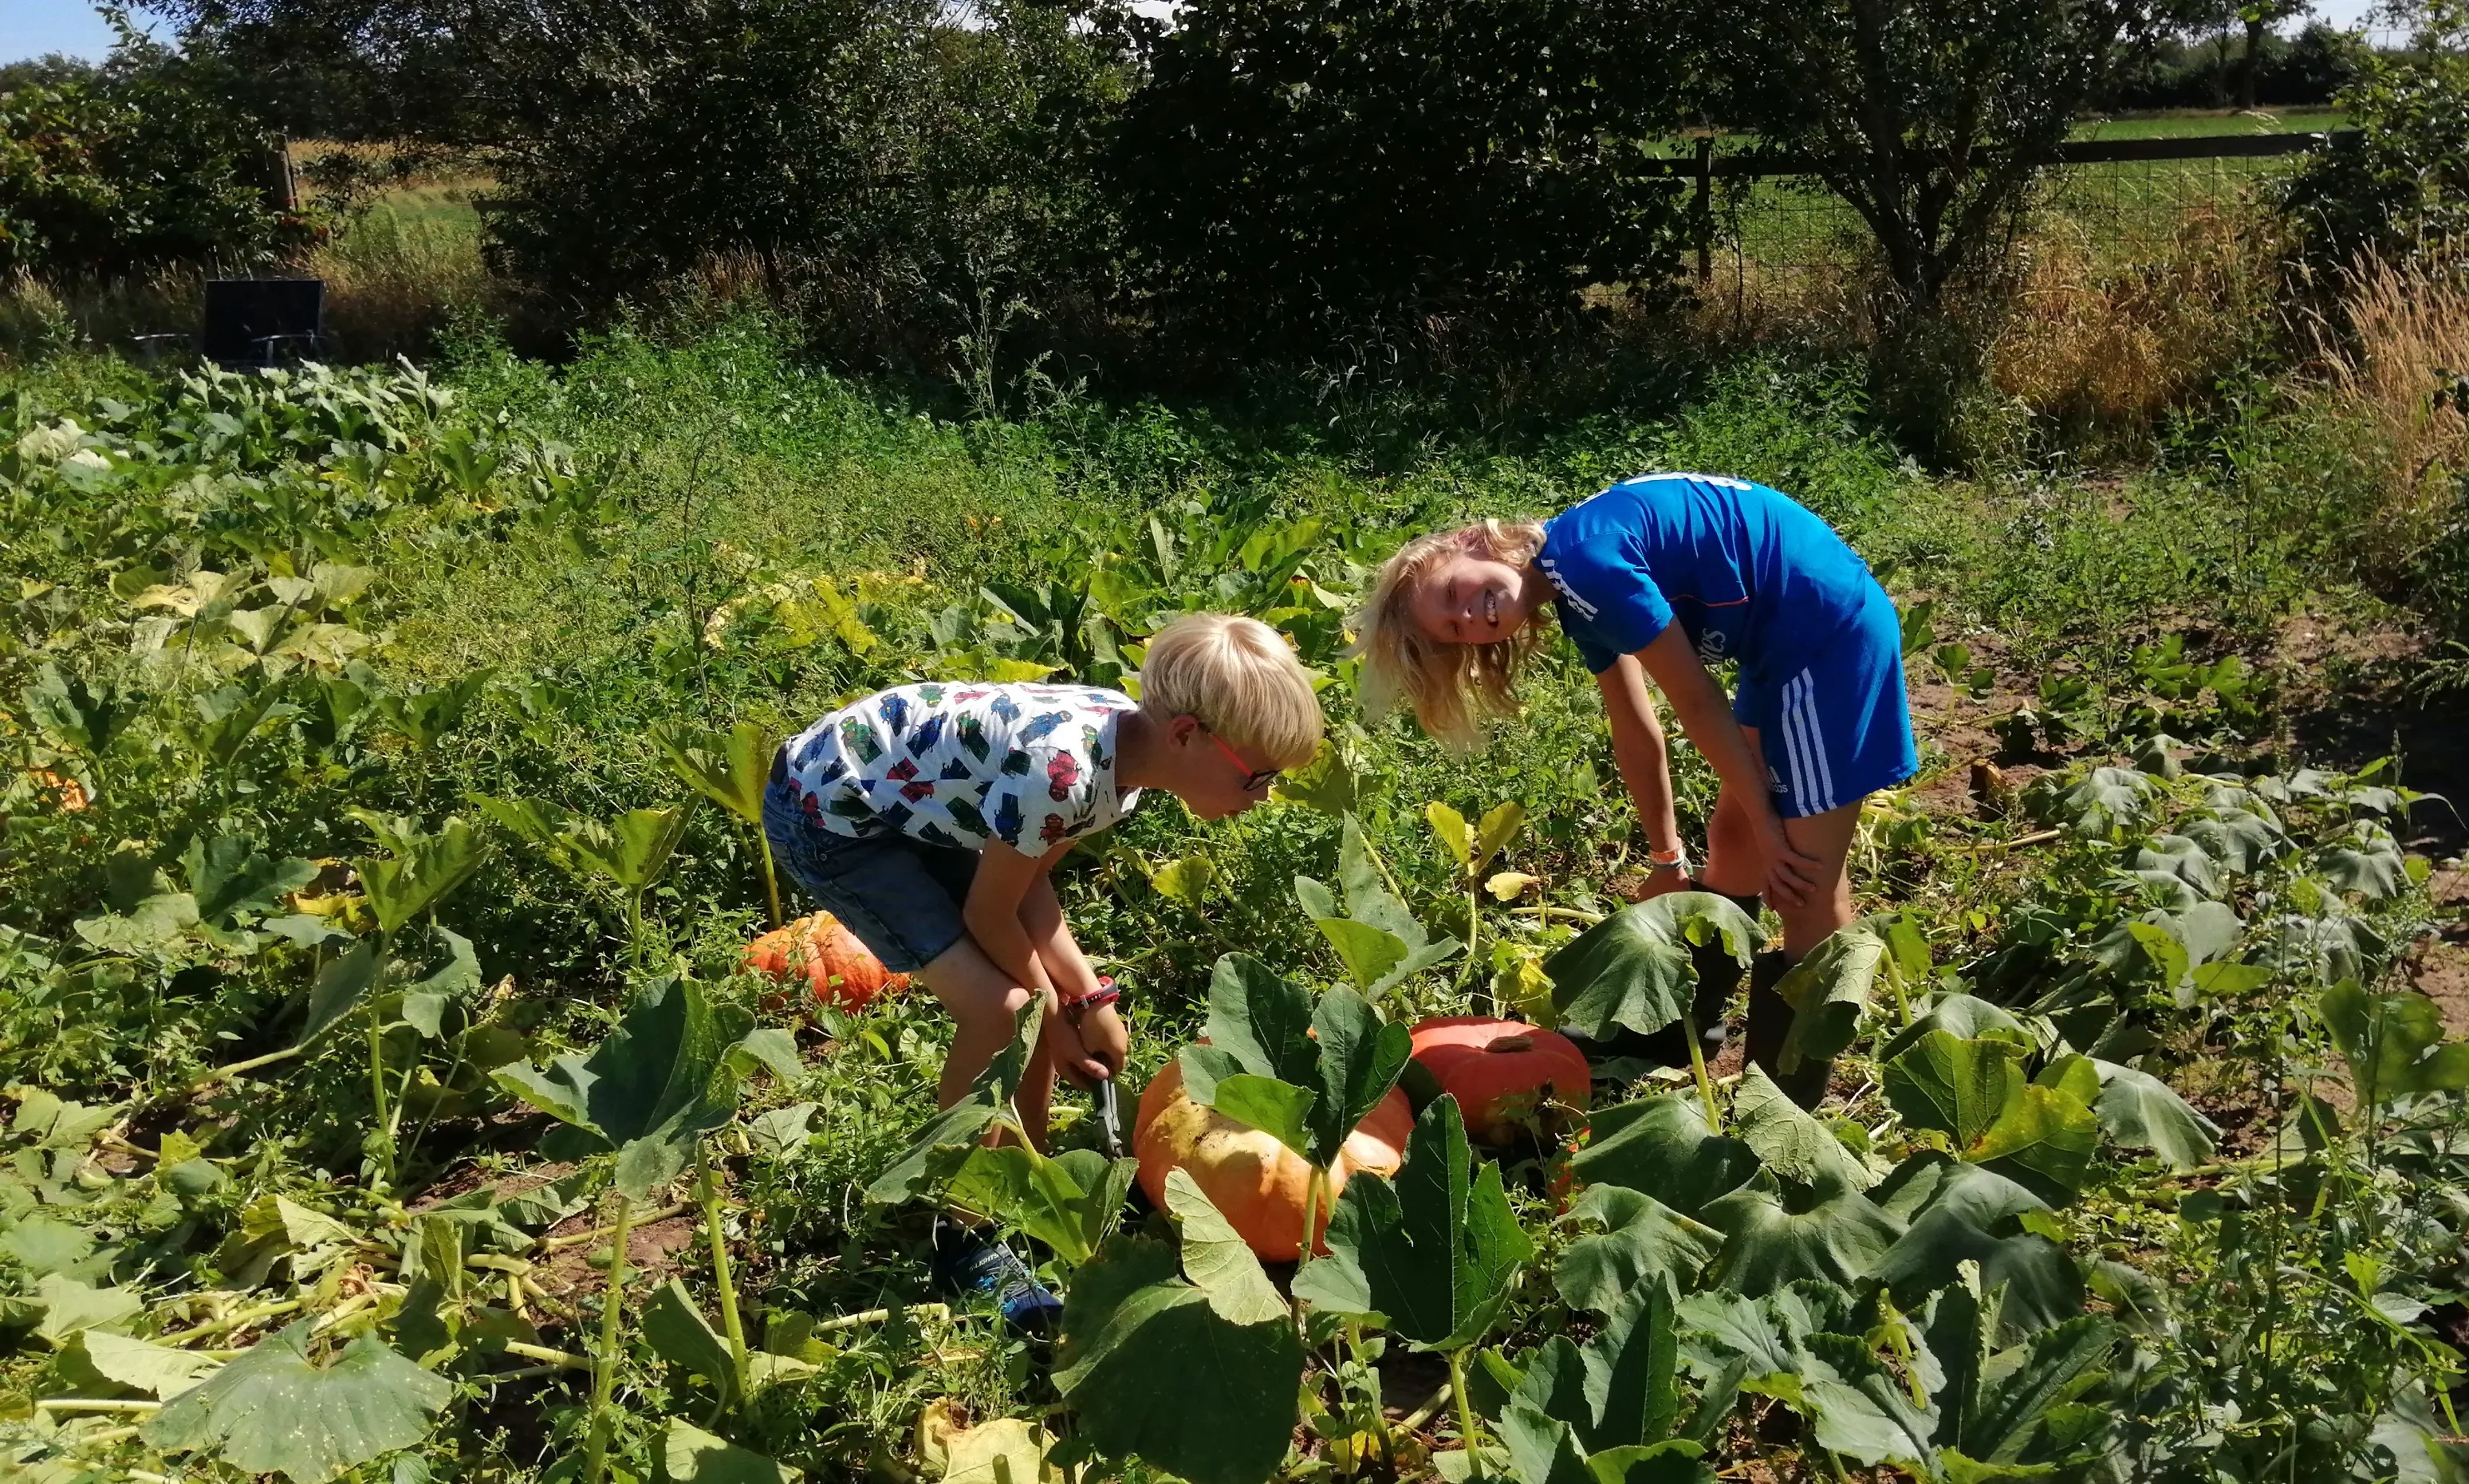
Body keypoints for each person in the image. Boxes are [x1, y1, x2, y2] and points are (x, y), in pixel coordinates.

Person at [763, 612, 1323, 1326]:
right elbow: (989, 916)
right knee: (999, 1009)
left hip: (913, 805)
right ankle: (965, 1232)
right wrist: (1055, 1016)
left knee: (1031, 1004)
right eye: (1260, 776)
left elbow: (1027, 886)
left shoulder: (1128, 759)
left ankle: (1024, 1179)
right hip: (830, 818)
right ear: (1187, 734)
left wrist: (1088, 995)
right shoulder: (1064, 772)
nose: (1266, 795)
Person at [1353, 471, 1916, 1106]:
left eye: (1455, 592)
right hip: (1777, 643)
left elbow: (1698, 702)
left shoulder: (1589, 562)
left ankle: (1788, 1106)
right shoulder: (1570, 585)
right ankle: (1684, 1026)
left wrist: (1769, 820)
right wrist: (1665, 858)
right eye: (1455, 629)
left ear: (1474, 543)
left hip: (1826, 637)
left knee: (1802, 880)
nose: (1470, 615)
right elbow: (1634, 723)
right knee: (1734, 836)